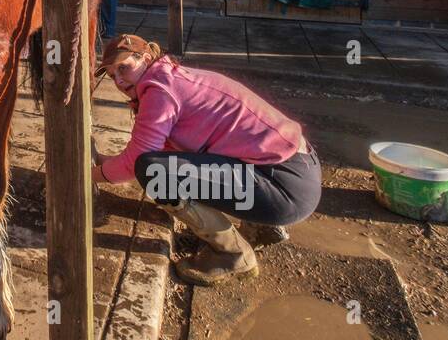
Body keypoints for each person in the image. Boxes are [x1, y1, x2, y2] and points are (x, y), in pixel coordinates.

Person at [91, 34, 321, 285]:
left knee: (154, 172)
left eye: (124, 68)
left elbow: (138, 160)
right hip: (296, 168)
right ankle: (260, 225)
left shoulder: (159, 92)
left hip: (285, 189)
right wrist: (105, 163)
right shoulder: (170, 77)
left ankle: (233, 255)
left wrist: (86, 176)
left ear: (146, 59)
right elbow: (154, 151)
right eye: (112, 75)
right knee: (165, 165)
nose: (119, 80)